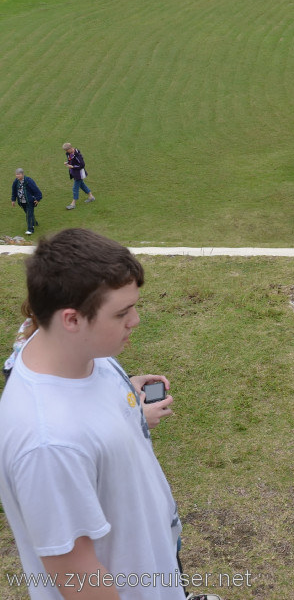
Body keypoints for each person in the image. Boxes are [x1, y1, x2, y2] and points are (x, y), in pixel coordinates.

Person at [0, 228, 184, 599]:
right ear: (71, 319)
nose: (135, 321)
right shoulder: (48, 444)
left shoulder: (83, 356)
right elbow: (76, 576)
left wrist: (129, 400)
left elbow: (89, 411)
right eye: (121, 313)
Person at [62, 142, 95, 210]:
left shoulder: (78, 156)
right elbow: (71, 160)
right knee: (82, 185)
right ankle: (91, 197)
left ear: (70, 148)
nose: (66, 152)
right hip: (74, 172)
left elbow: (82, 165)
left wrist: (73, 166)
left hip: (79, 174)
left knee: (75, 188)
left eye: (66, 150)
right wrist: (68, 163)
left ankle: (73, 204)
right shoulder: (68, 153)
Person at [10, 168, 42, 236]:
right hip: (22, 202)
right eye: (16, 174)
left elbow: (36, 190)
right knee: (28, 213)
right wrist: (13, 200)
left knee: (28, 215)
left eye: (19, 174)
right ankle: (34, 223)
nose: (17, 176)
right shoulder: (16, 182)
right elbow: (14, 191)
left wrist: (37, 199)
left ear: (22, 174)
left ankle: (30, 230)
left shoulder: (29, 181)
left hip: (30, 201)